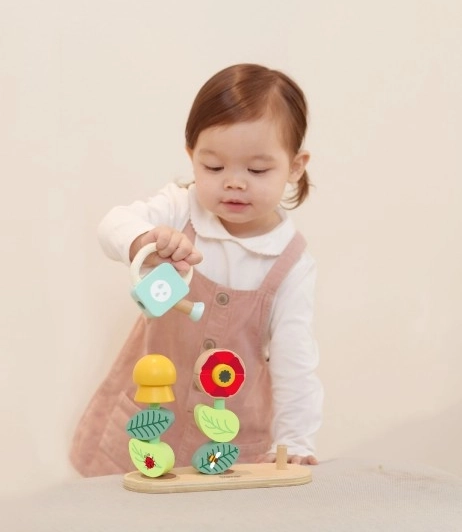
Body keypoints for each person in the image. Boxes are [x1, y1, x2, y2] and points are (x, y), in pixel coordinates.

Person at [70, 64, 323, 476]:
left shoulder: (291, 262)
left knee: (215, 507)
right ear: (192, 157)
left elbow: (295, 362)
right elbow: (111, 225)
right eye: (214, 167)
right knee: (125, 501)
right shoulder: (179, 209)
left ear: (295, 166)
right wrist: (144, 242)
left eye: (257, 170)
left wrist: (294, 441)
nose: (234, 183)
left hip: (228, 441)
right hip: (147, 426)